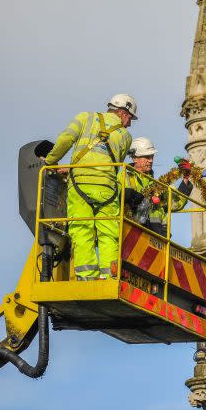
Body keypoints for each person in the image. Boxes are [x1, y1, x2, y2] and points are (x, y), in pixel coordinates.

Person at [44, 94, 136, 281]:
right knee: (108, 233)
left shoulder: (84, 117)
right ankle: (110, 278)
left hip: (79, 185)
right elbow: (116, 164)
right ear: (122, 112)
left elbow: (65, 139)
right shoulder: (125, 136)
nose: (129, 124)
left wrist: (49, 162)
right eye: (130, 118)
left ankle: (86, 277)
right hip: (107, 188)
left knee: (81, 229)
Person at [124, 137, 193, 236]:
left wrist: (186, 178)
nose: (151, 161)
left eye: (152, 157)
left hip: (158, 236)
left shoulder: (157, 184)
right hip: (133, 233)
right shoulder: (124, 178)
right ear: (135, 158)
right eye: (147, 157)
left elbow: (174, 203)